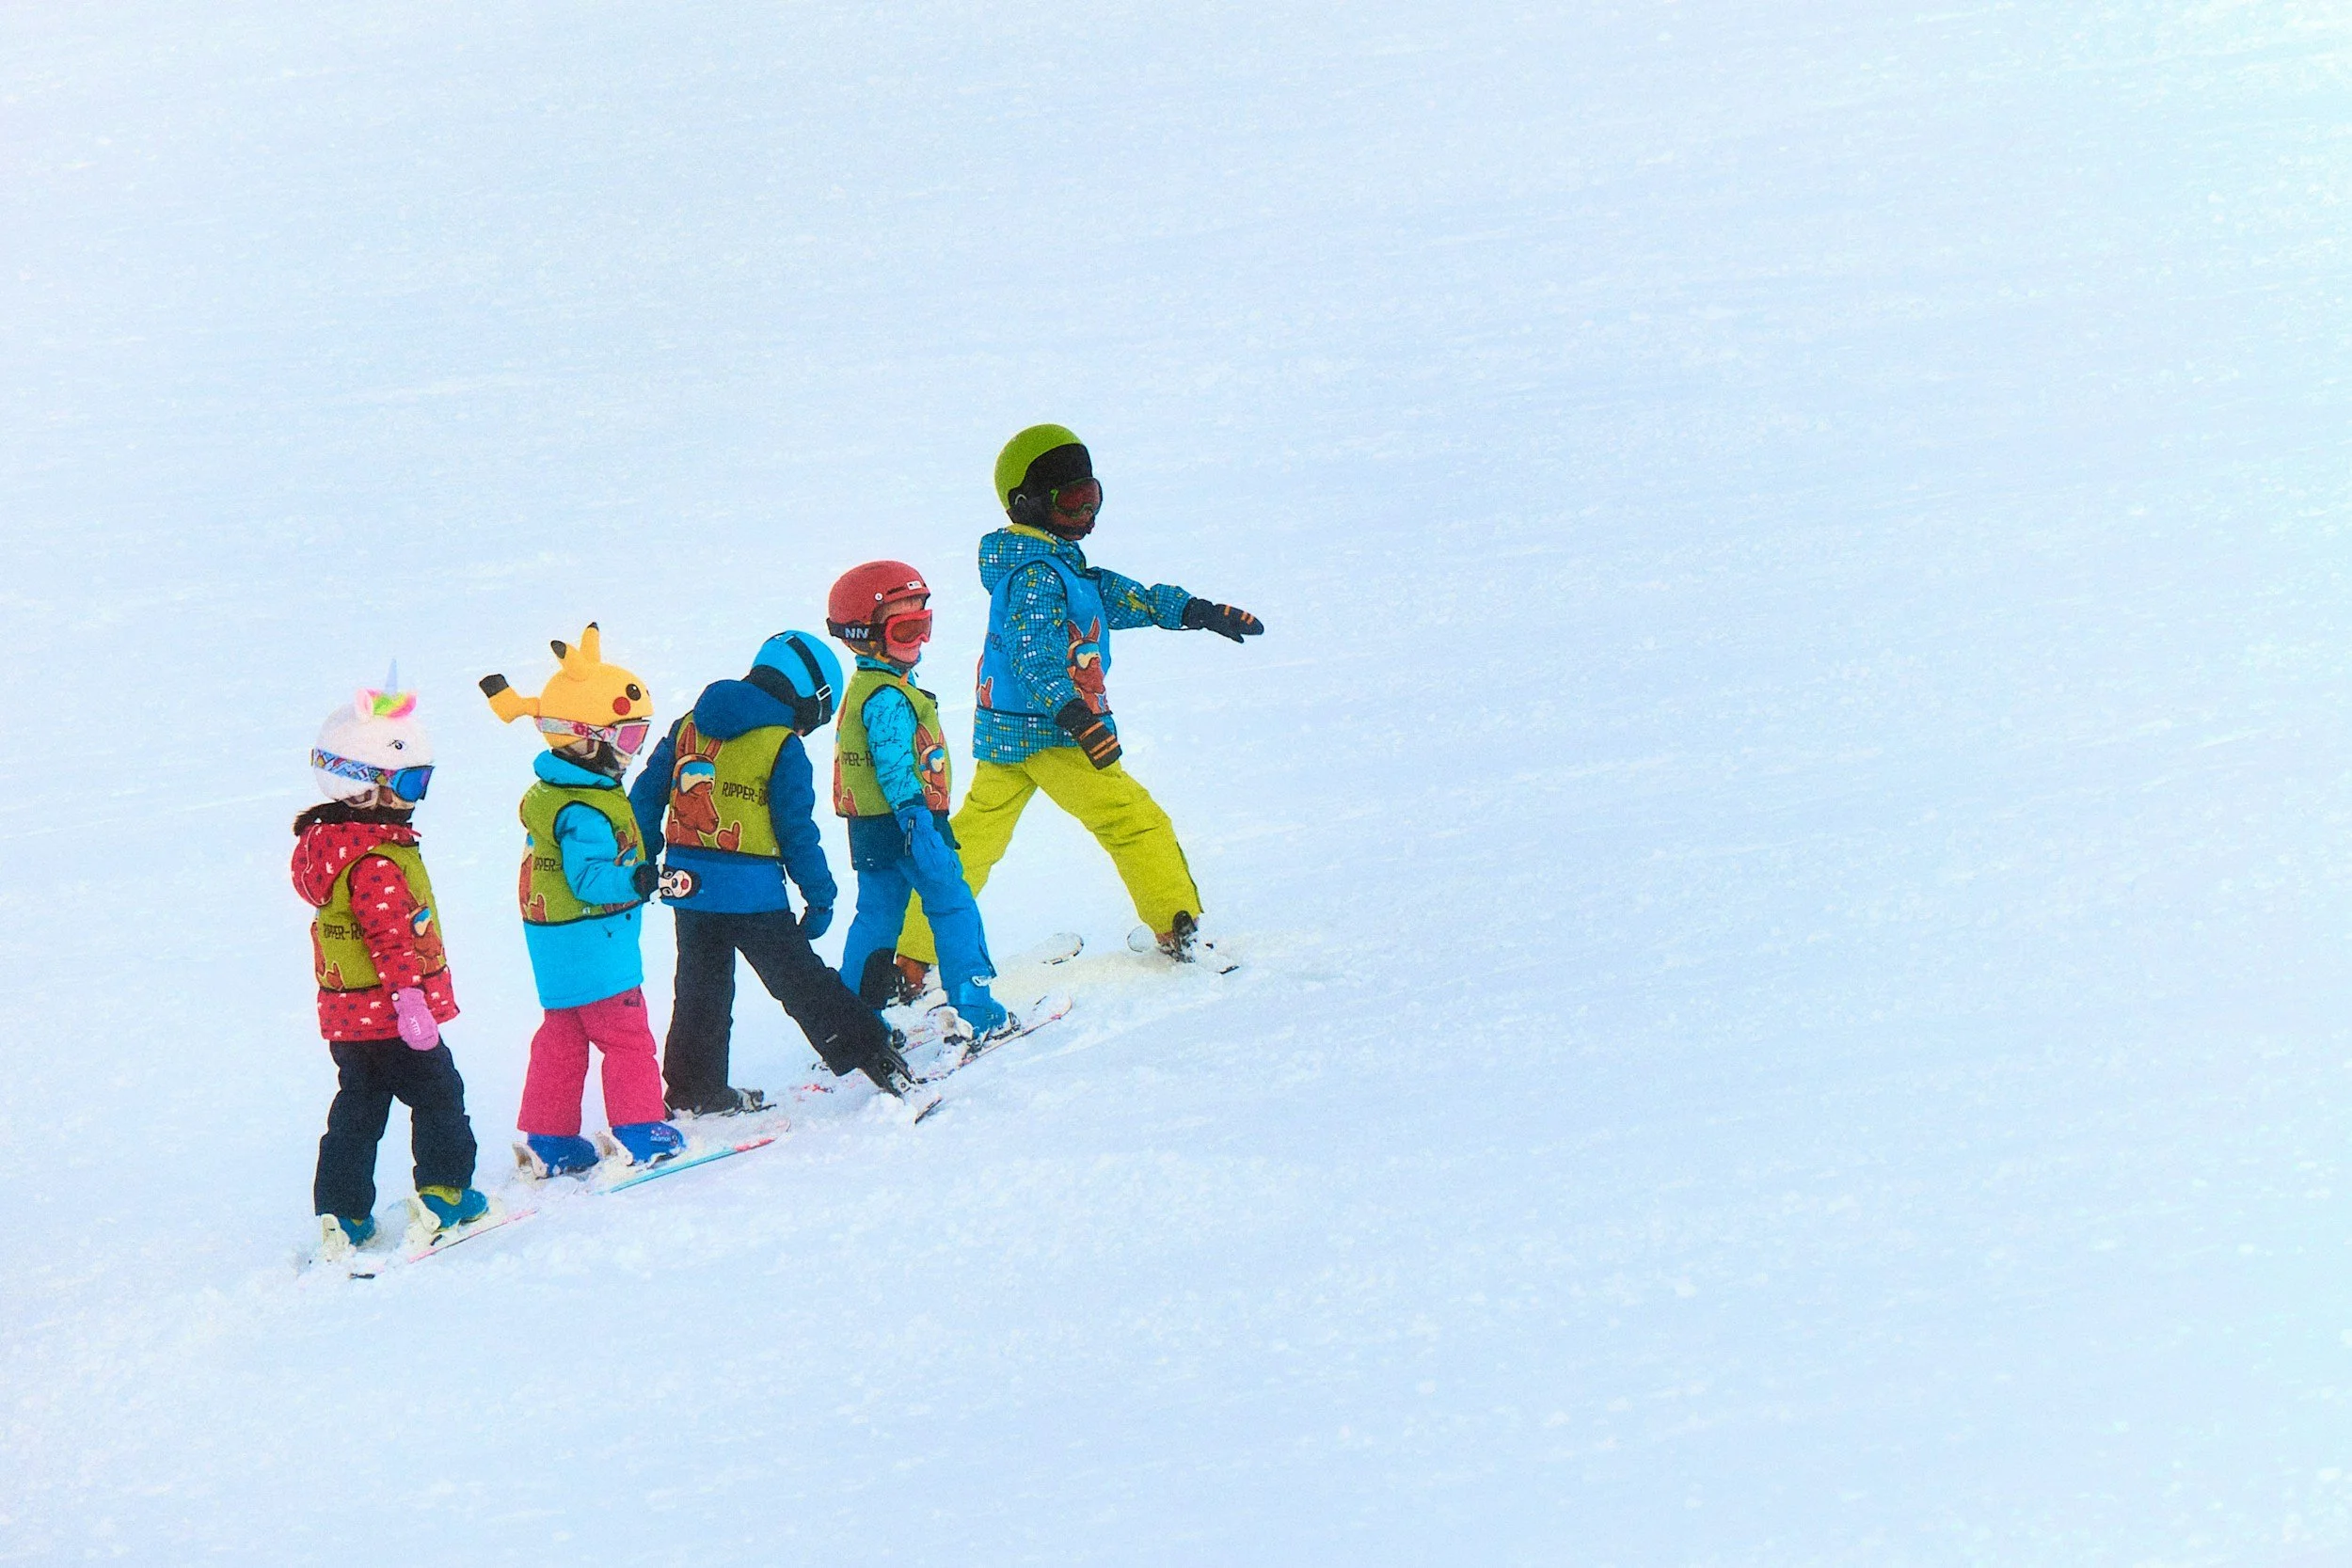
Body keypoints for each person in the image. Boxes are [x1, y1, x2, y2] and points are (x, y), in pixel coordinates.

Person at [894, 424, 1263, 982]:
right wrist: (1075, 715)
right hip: (1053, 731)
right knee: (1132, 820)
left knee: (973, 841)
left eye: (1093, 496)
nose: (1088, 512)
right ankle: (1178, 924)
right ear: (1028, 504)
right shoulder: (1039, 574)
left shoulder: (1059, 564)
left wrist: (1199, 611)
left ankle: (912, 955)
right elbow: (1033, 656)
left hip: (1007, 728)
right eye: (1072, 499)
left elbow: (1128, 596)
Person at [627, 629, 919, 1105]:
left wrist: (642, 859)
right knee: (799, 980)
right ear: (809, 699)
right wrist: (819, 895)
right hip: (753, 895)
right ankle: (873, 1051)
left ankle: (694, 1090)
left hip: (688, 888)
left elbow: (644, 797)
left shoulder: (687, 726)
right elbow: (796, 833)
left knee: (700, 991)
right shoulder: (783, 746)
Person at [293, 674, 488, 1258]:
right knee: (440, 1096)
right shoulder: (377, 859)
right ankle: (446, 1196)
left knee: (358, 1106)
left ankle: (343, 1213)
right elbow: (391, 940)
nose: (415, 795)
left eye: (422, 780)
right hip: (395, 1016)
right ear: (361, 788)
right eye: (407, 781)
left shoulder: (329, 847)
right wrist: (410, 1004)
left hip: (347, 1020)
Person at [481, 624, 683, 1175]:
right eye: (628, 738)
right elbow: (590, 879)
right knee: (627, 1037)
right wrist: (638, 880)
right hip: (596, 941)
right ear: (585, 738)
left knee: (562, 1036)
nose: (632, 753)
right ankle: (642, 1130)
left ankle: (550, 1138)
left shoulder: (555, 795)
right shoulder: (586, 810)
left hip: (554, 945)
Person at [824, 560, 1009, 1034]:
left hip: (870, 830)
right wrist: (915, 819)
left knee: (877, 918)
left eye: (925, 626)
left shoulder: (866, 687)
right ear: (862, 635)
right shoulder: (886, 697)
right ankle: (975, 1009)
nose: (920, 642)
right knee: (952, 905)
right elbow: (893, 762)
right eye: (906, 630)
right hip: (910, 824)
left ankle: (854, 1021)